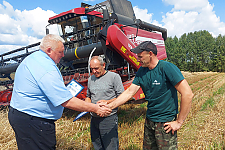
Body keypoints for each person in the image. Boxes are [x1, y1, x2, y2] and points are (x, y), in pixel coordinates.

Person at [8, 34, 111, 150]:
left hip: (22, 116)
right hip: (34, 122)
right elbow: (66, 101)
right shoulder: (46, 67)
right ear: (49, 50)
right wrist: (96, 108)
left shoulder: (33, 58)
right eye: (60, 52)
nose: (63, 55)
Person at [106, 41, 194, 149]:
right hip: (149, 120)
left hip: (165, 122)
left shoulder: (166, 68)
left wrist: (179, 122)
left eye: (140, 56)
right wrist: (110, 107)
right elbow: (129, 92)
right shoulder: (142, 71)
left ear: (150, 54)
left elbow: (187, 94)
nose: (138, 60)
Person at [85, 56, 124, 150]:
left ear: (103, 65)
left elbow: (122, 97)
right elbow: (88, 96)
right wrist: (88, 105)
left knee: (110, 146)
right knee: (97, 145)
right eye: (92, 69)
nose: (94, 71)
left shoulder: (114, 77)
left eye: (96, 68)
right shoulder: (91, 79)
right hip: (94, 118)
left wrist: (108, 102)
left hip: (109, 119)